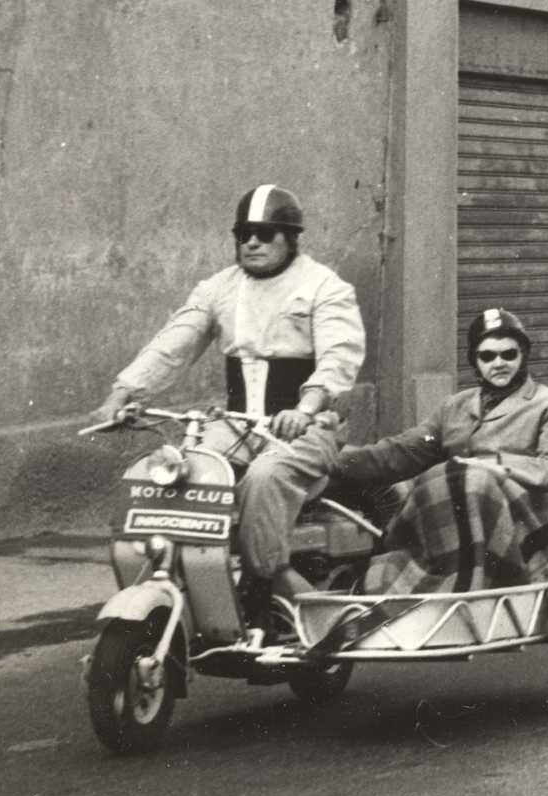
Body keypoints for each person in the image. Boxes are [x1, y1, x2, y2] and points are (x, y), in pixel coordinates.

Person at [90, 184, 366, 624]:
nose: (251, 242)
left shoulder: (324, 287)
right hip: (237, 424)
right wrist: (123, 394)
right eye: (243, 234)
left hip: (308, 426)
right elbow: (173, 343)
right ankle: (181, 579)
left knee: (264, 477)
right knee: (182, 471)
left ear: (290, 238)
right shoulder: (219, 287)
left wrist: (306, 408)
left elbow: (338, 358)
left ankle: (273, 577)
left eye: (264, 233)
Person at [333, 307, 548, 594]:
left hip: (532, 516)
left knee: (471, 480)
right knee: (447, 482)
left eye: (509, 354)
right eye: (487, 356)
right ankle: (428, 587)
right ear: (475, 361)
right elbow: (403, 452)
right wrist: (330, 462)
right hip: (462, 516)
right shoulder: (455, 407)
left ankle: (469, 584)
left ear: (523, 356)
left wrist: (495, 466)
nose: (499, 363)